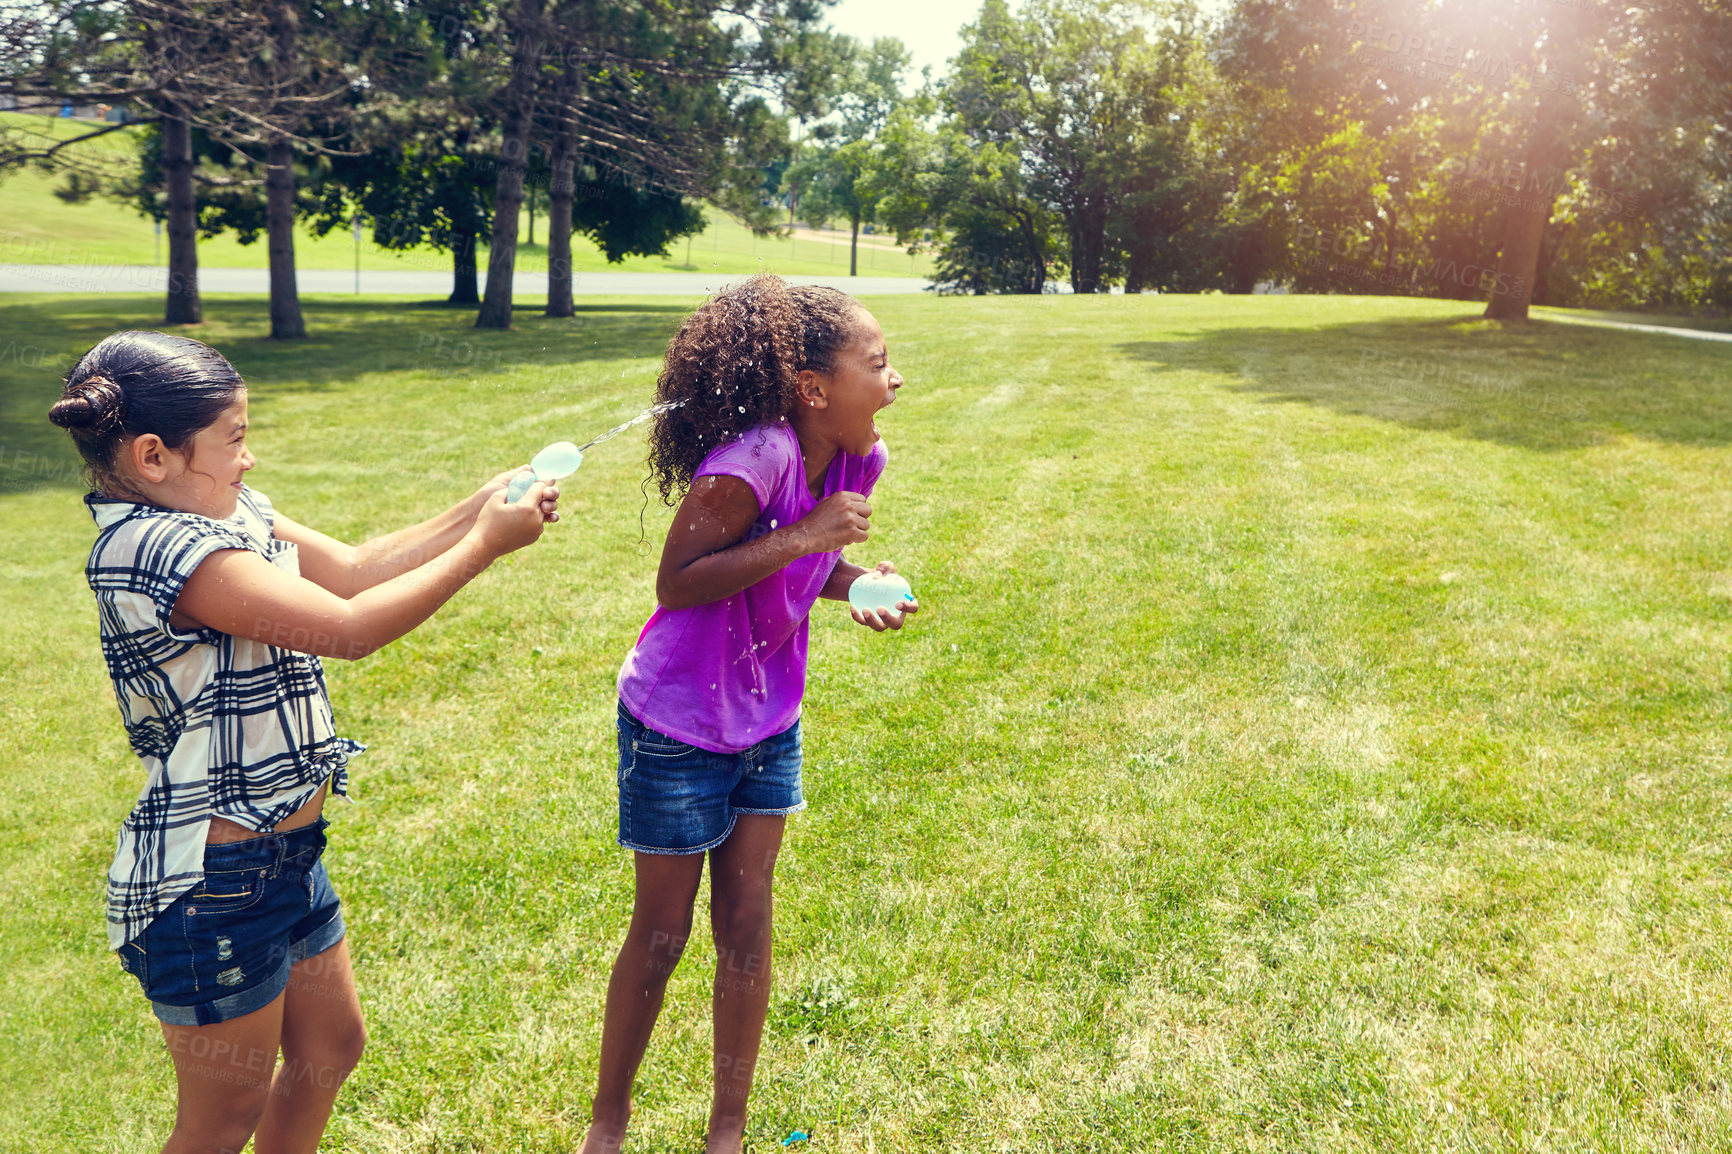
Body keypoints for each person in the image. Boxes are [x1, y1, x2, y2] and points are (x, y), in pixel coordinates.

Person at [48, 330, 558, 1154]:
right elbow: (350, 629)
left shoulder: (221, 507)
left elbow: (353, 570)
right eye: (236, 439)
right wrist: (486, 545)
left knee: (330, 1047)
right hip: (210, 882)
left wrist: (478, 503)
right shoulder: (159, 548)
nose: (248, 460)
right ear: (152, 456)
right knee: (221, 1120)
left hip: (285, 855)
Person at [581, 275, 917, 1154]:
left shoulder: (857, 457)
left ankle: (726, 1130)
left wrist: (853, 581)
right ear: (813, 389)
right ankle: (607, 1123)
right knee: (661, 933)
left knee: (748, 920)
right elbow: (680, 582)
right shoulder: (754, 461)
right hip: (677, 722)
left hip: (768, 719)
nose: (894, 381)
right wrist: (811, 539)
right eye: (877, 365)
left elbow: (801, 566)